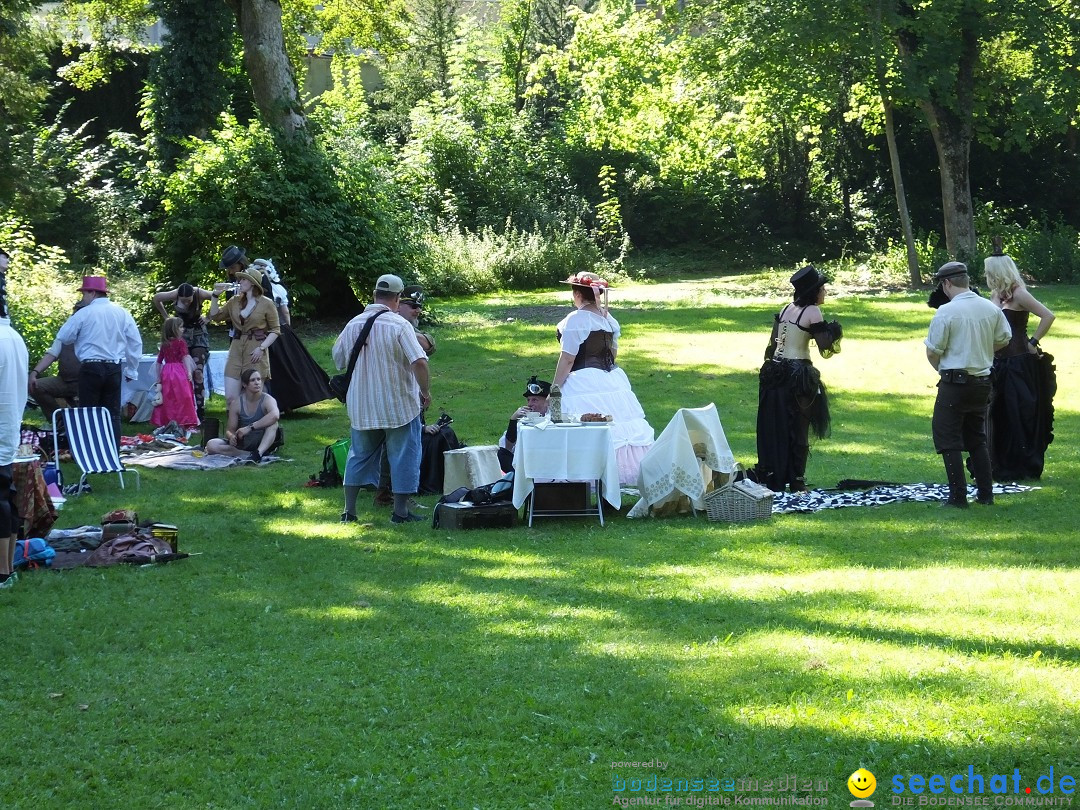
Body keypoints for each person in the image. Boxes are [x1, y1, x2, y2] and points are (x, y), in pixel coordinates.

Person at [332, 274, 431, 525]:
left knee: (359, 456)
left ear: (375, 295)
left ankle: (349, 512)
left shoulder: (353, 324)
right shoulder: (399, 326)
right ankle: (400, 512)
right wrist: (425, 392)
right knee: (403, 456)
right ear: (398, 298)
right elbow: (419, 361)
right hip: (398, 404)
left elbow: (339, 360)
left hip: (362, 405)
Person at [552, 271, 654, 485]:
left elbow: (568, 359)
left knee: (583, 429)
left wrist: (555, 388)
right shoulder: (609, 320)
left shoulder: (576, 320)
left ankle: (585, 482)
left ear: (578, 293)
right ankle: (615, 481)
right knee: (614, 429)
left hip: (582, 380)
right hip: (611, 378)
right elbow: (612, 355)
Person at [925, 261, 1011, 507]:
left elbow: (933, 351)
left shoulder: (946, 311)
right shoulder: (990, 308)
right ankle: (985, 494)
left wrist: (943, 371)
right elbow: (1004, 339)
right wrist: (981, 350)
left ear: (947, 283)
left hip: (955, 382)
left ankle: (958, 496)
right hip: (982, 382)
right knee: (976, 438)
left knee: (947, 437)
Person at [755, 266, 843, 493]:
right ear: (813, 292)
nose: (825, 292)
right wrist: (834, 331)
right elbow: (826, 348)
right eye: (822, 288)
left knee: (775, 426)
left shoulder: (786, 309)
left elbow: (774, 343)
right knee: (799, 428)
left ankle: (774, 475)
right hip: (797, 375)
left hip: (774, 374)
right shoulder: (812, 312)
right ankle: (797, 481)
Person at [32, 277, 142, 447]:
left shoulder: (84, 313)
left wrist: (81, 337)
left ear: (92, 292)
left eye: (84, 293)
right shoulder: (122, 313)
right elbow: (135, 342)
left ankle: (89, 451)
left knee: (88, 412)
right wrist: (131, 370)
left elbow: (64, 337)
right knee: (112, 413)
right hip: (114, 367)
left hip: (91, 366)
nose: (83, 297)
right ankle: (111, 452)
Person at [983, 244, 1057, 480]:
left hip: (1019, 363)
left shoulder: (1019, 293)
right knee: (998, 414)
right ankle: (999, 465)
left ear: (998, 272)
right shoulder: (996, 295)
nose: (986, 276)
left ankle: (1023, 466)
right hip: (999, 363)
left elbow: (1048, 315)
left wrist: (1033, 342)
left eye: (988, 272)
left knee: (1020, 413)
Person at [372, 284, 441, 504]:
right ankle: (392, 494)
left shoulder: (404, 327)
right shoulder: (383, 324)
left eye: (419, 306)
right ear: (397, 302)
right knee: (400, 447)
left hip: (408, 391)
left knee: (401, 445)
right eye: (411, 305)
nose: (417, 310)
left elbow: (429, 344)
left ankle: (390, 492)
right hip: (391, 392)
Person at [250, 258, 334, 412]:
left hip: (262, 334)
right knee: (288, 368)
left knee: (274, 370)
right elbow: (285, 311)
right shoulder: (278, 290)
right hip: (279, 331)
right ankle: (286, 404)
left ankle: (276, 405)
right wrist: (287, 329)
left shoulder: (252, 294)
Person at [208, 268, 280, 408]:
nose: (240, 281)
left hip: (255, 349)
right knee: (230, 398)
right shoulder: (234, 301)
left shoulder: (266, 303)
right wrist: (215, 296)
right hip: (236, 348)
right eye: (240, 279)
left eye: (244, 279)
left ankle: (255, 427)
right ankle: (233, 427)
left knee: (253, 395)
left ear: (252, 283)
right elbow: (215, 317)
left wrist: (261, 348)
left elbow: (275, 330)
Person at [0, 263, 29, 589]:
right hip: (7, 432)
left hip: (3, 431)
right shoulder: (13, 336)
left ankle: (3, 571)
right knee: (5, 495)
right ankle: (6, 569)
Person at [152, 282, 214, 419]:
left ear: (193, 295)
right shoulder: (174, 293)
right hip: (181, 335)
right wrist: (166, 316)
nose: (186, 303)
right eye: (183, 301)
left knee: (197, 371)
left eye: (189, 300)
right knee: (181, 373)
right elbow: (156, 298)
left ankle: (200, 410)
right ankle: (182, 408)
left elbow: (216, 296)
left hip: (198, 336)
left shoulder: (200, 293)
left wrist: (209, 317)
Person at [204, 369, 282, 462]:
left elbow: (275, 415)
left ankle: (258, 452)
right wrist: (232, 437)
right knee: (211, 444)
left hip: (262, 439)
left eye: (258, 379)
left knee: (273, 424)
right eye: (253, 380)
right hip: (243, 442)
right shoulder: (237, 403)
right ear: (245, 384)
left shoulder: (267, 399)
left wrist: (250, 428)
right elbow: (230, 430)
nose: (257, 383)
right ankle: (249, 455)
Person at [29, 300, 86, 422]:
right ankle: (60, 421)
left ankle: (88, 425)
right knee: (37, 386)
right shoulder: (66, 332)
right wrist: (34, 372)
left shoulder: (95, 333)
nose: (76, 314)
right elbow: (52, 354)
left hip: (87, 382)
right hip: (65, 381)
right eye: (76, 311)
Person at [150, 317, 199, 430]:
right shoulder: (180, 342)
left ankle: (167, 419)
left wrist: (158, 376)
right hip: (178, 372)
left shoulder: (165, 343)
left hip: (167, 371)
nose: (183, 329)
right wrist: (189, 372)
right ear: (174, 329)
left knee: (168, 396)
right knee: (183, 395)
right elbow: (185, 357)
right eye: (180, 327)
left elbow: (159, 361)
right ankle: (185, 419)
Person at [497, 376, 550, 472]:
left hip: (544, 461)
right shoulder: (524, 422)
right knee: (501, 454)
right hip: (524, 463)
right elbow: (507, 448)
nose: (529, 404)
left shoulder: (554, 419)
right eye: (528, 400)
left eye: (535, 400)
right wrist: (513, 420)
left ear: (547, 401)